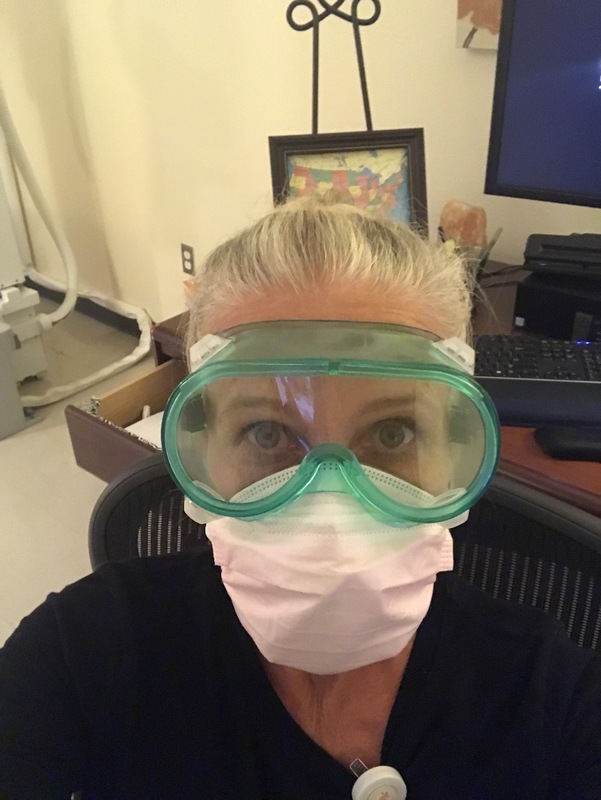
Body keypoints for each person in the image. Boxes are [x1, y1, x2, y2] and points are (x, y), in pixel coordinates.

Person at [0, 196, 600, 800]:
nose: (331, 509)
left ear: (455, 453)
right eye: (267, 434)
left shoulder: (557, 704)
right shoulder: (85, 654)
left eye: (394, 433)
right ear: (204, 458)